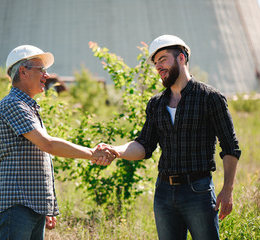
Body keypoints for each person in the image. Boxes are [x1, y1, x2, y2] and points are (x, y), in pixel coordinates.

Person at [93, 35, 241, 240]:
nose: (158, 67)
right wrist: (116, 151)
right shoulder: (156, 104)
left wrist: (227, 189)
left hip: (198, 191)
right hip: (163, 192)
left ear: (181, 58)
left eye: (162, 59)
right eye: (155, 63)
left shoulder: (210, 98)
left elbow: (230, 146)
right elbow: (144, 145)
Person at [0, 45, 117, 240]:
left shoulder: (29, 107)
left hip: (32, 206)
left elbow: (41, 159)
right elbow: (48, 144)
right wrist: (92, 154)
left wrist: (47, 206)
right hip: (17, 206)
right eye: (41, 69)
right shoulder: (12, 105)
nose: (46, 75)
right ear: (23, 72)